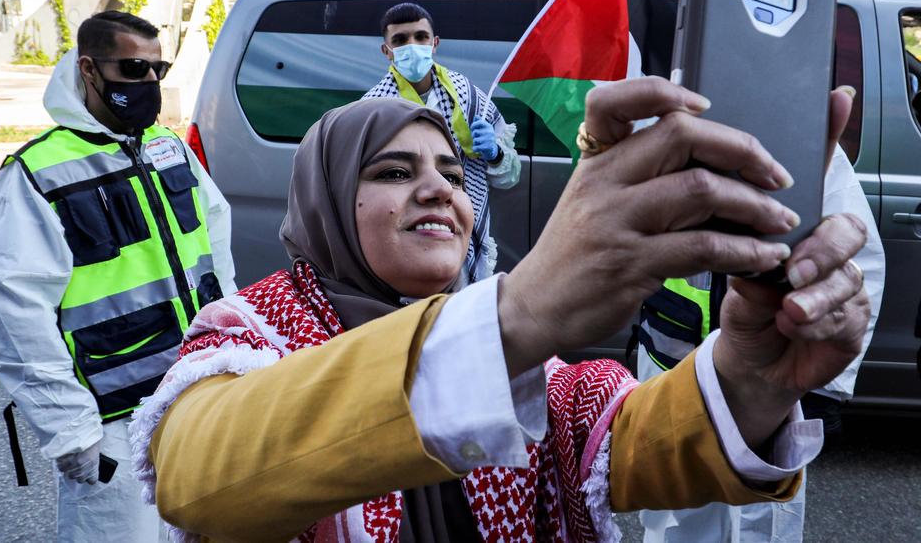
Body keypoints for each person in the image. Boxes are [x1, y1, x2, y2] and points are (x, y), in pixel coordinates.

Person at [130, 80, 871, 542]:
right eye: (394, 172)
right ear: (324, 202)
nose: (438, 191)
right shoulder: (250, 332)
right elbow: (195, 474)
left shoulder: (515, 359)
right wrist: (514, 315)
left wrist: (753, 377)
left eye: (454, 176)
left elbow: (631, 443)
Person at [0, 10, 236, 542]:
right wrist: (69, 430)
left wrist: (233, 353)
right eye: (133, 69)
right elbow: (13, 312)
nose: (149, 82)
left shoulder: (169, 149)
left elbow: (217, 259)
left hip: (195, 393)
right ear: (89, 70)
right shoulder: (38, 173)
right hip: (113, 419)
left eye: (158, 69)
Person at [634, 88, 886, 543]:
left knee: (760, 518)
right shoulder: (660, 130)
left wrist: (823, 390)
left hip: (763, 382)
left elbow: (858, 259)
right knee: (672, 511)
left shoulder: (796, 137)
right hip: (668, 365)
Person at [361, 2, 520, 281]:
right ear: (387, 51)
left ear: (434, 43)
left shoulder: (468, 97)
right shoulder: (372, 109)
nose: (412, 46)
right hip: (402, 233)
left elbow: (509, 177)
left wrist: (495, 154)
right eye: (400, 40)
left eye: (420, 37)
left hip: (459, 228)